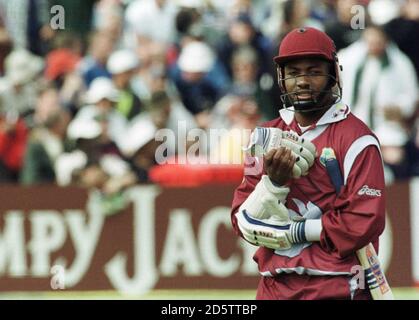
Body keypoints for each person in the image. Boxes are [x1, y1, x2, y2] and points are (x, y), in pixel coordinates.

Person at [230, 27, 386, 300]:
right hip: (273, 286)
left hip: (336, 285)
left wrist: (292, 232)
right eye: (293, 73)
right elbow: (240, 220)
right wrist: (273, 184)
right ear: (281, 79)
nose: (302, 81)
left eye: (313, 72)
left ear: (334, 74)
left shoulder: (357, 140)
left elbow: (362, 223)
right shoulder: (264, 136)